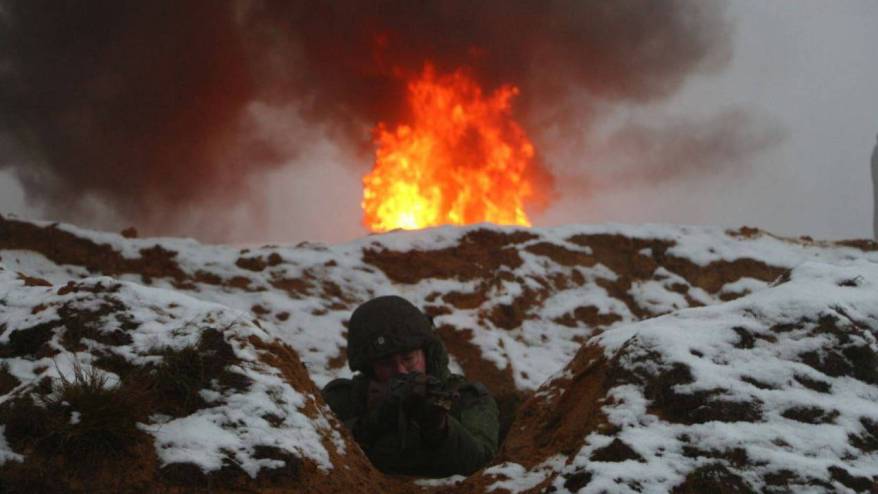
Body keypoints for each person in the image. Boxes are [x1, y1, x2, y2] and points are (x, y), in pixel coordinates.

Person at [321, 295, 499, 477]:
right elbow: (321, 451)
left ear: (426, 354)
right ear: (369, 368)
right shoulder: (346, 399)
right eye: (386, 363)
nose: (401, 371)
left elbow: (482, 465)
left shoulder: (468, 398)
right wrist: (378, 418)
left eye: (409, 359)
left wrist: (439, 426)